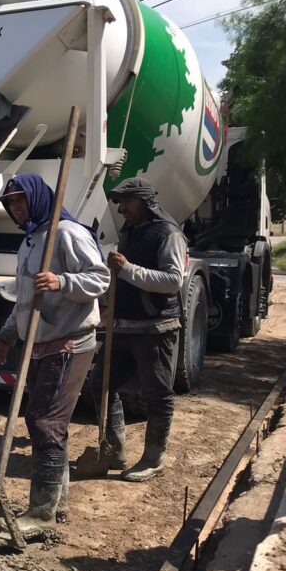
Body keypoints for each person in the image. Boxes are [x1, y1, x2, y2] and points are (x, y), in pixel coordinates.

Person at [0, 174, 109, 535]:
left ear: (39, 198)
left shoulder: (68, 233)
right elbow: (25, 298)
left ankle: (40, 514)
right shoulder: (29, 241)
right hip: (38, 344)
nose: (16, 208)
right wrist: (7, 335)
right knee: (52, 426)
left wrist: (63, 281)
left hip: (69, 342)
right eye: (10, 203)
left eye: (21, 201)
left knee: (43, 422)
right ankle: (56, 505)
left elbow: (100, 278)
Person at [89, 177, 186, 482]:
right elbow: (121, 275)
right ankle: (114, 451)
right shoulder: (131, 230)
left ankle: (154, 459)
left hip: (155, 328)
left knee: (157, 394)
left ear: (144, 202)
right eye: (119, 204)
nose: (122, 210)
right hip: (124, 326)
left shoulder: (167, 233)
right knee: (99, 385)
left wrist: (128, 269)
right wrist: (107, 303)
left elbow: (173, 280)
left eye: (126, 203)